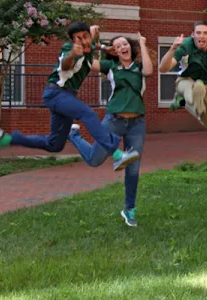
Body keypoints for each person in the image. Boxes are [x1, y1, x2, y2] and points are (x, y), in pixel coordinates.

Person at [0, 22, 139, 171]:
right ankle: (117, 154)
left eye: (85, 37)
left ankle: (6, 139)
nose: (83, 41)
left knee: (55, 144)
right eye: (78, 39)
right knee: (87, 114)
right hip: (57, 93)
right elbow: (65, 64)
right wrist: (72, 54)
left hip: (64, 98)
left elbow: (92, 38)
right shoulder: (69, 49)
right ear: (73, 41)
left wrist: (102, 46)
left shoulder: (89, 47)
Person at [67, 33, 153, 226]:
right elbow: (86, 63)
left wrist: (142, 43)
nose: (123, 47)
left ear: (130, 47)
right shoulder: (111, 67)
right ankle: (73, 135)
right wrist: (98, 47)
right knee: (94, 159)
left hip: (137, 124)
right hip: (114, 121)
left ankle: (129, 210)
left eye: (125, 44)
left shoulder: (139, 67)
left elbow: (149, 71)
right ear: (114, 51)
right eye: (118, 46)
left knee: (133, 168)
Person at [157, 20, 207, 129]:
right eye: (198, 33)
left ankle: (187, 100)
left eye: (205, 33)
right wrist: (173, 48)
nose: (202, 36)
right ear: (193, 35)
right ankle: (184, 99)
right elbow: (163, 69)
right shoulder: (186, 45)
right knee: (190, 95)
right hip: (185, 81)